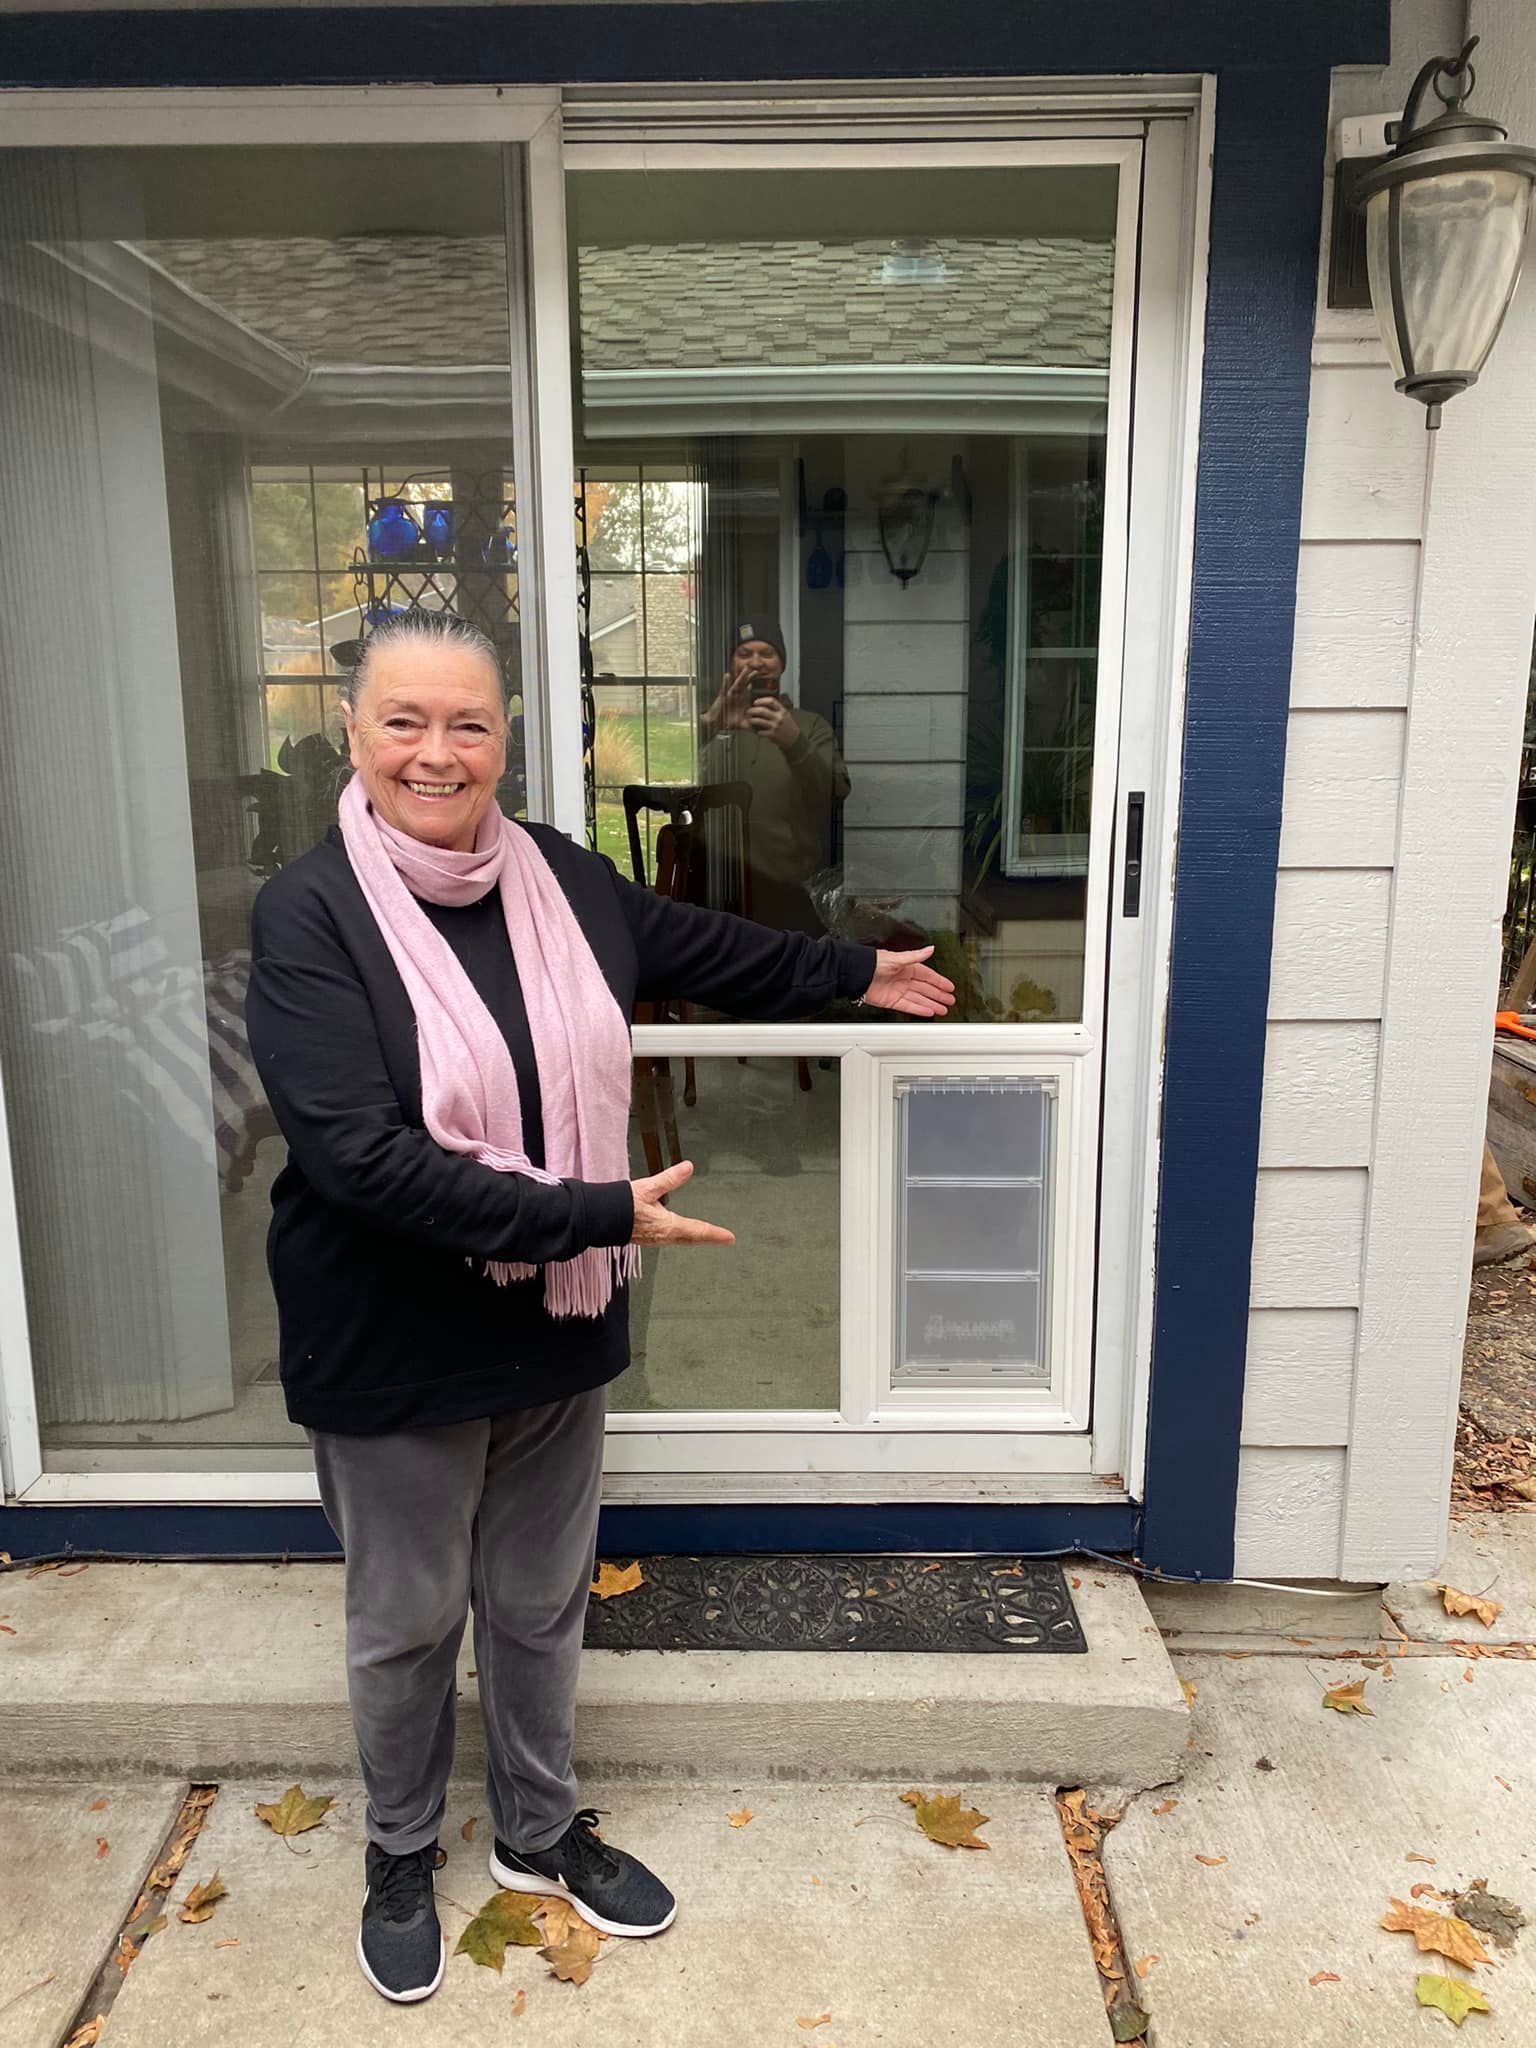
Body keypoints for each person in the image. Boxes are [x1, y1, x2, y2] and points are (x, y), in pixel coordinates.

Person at [243, 609, 953, 2004]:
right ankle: (398, 1849)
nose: (436, 753)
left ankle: (536, 1828)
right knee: (405, 1617)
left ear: (506, 740)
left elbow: (702, 943)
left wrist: (852, 968)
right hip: (393, 1330)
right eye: (405, 722)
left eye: (468, 724)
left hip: (555, 1321)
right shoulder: (309, 912)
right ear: (353, 735)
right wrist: (598, 1212)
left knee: (536, 1599)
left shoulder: (560, 878)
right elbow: (362, 1159)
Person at [697, 616, 850, 935]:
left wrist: (793, 741)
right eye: (744, 653)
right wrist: (714, 728)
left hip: (789, 888)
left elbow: (835, 791)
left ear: (781, 664)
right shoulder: (715, 723)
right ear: (731, 663)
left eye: (767, 653)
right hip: (718, 888)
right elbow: (684, 791)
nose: (756, 662)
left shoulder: (809, 725)